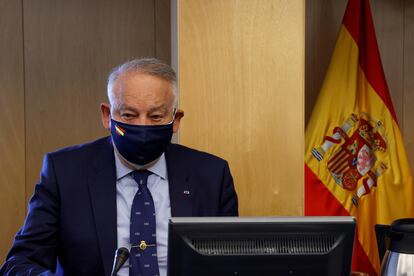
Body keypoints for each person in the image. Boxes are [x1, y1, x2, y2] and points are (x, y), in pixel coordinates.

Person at [0, 58, 238, 276]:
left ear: (175, 120)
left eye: (155, 117)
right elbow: (19, 263)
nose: (142, 127)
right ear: (107, 115)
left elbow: (233, 264)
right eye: (128, 115)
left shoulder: (212, 176)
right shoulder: (65, 173)